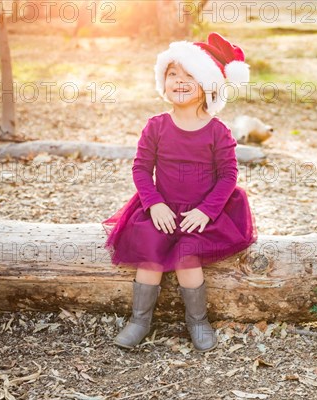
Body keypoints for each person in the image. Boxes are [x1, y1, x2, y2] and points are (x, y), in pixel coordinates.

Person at [101, 32, 258, 352]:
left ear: (208, 86)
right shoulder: (156, 126)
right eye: (173, 74)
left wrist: (206, 210)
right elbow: (141, 169)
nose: (180, 81)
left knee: (188, 257)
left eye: (190, 76)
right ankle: (140, 320)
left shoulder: (217, 130)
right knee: (150, 256)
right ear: (163, 82)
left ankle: (197, 320)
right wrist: (154, 204)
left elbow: (228, 175)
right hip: (161, 207)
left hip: (202, 211)